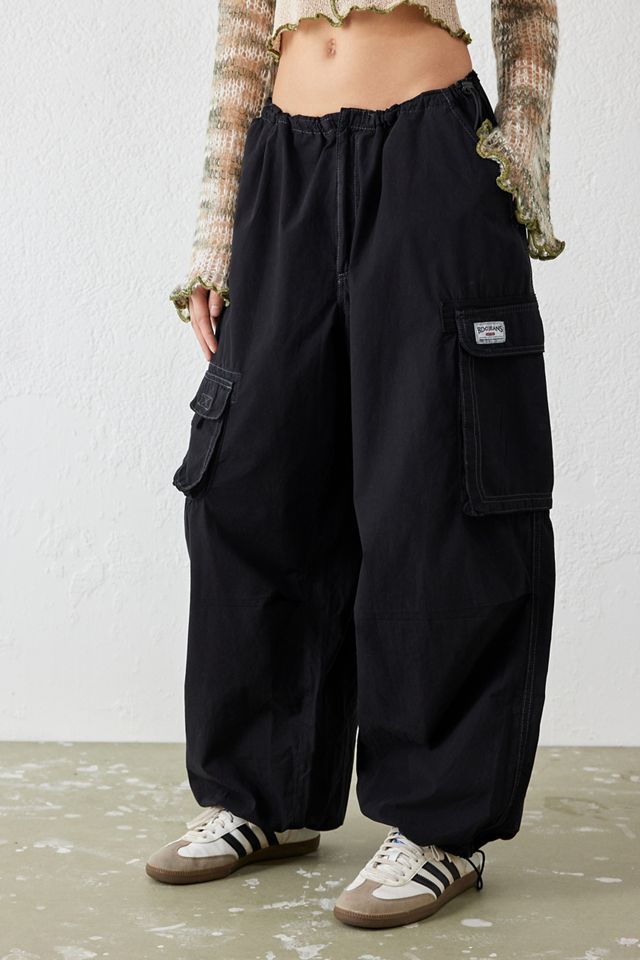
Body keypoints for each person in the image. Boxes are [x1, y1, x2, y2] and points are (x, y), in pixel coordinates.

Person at [146, 0, 563, 930]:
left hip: (433, 155)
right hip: (284, 160)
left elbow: (529, 11)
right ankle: (268, 794)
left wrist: (518, 168)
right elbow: (243, 31)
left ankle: (442, 826)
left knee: (434, 485)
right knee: (251, 478)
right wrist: (216, 231)